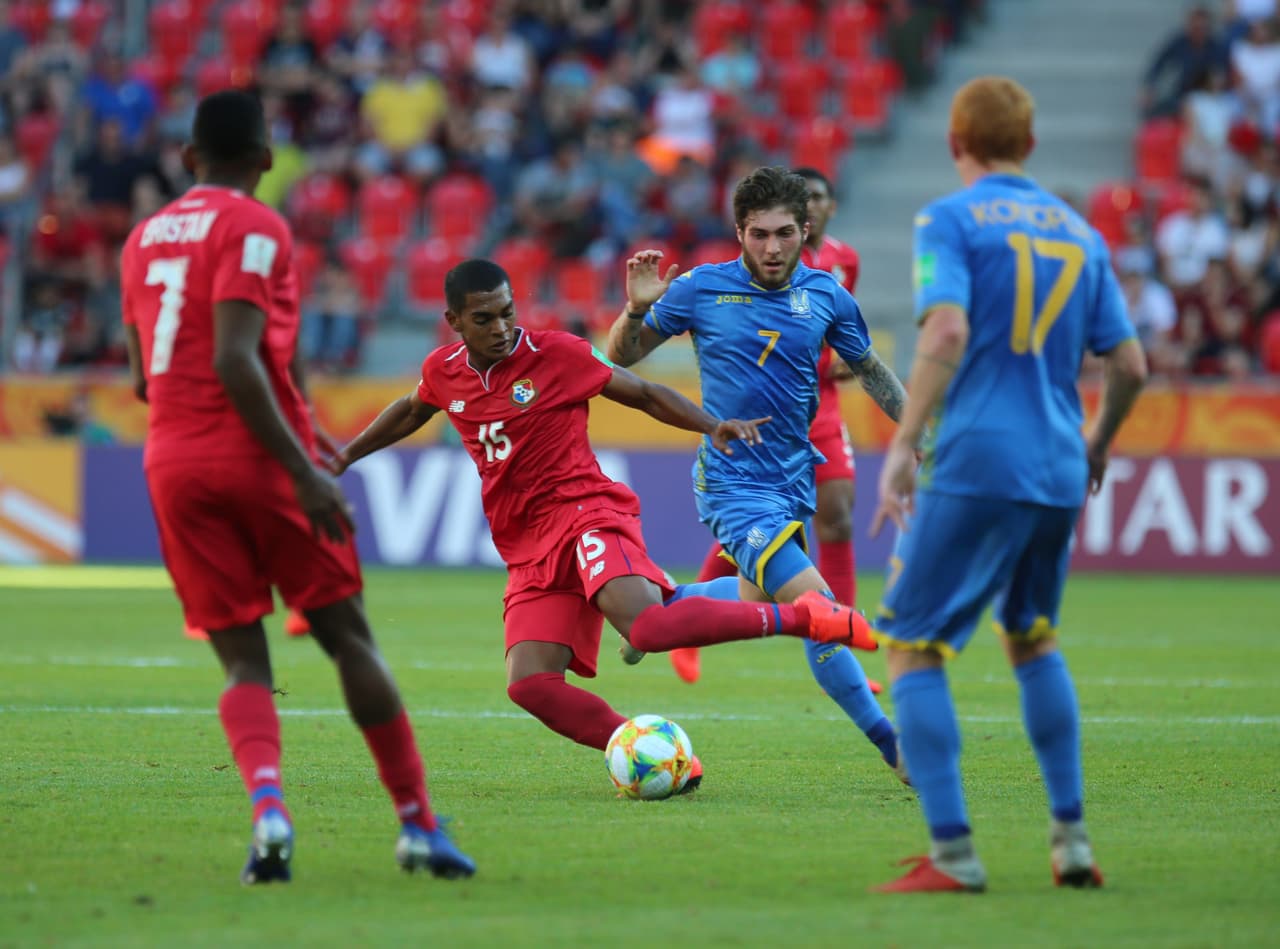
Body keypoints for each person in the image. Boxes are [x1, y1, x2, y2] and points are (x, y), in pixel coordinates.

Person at [331, 258, 869, 784]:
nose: (500, 328)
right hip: (528, 543)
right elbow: (410, 409)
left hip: (586, 512)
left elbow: (645, 393)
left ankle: (807, 617)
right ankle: (646, 748)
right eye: (483, 319)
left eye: (507, 312)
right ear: (454, 322)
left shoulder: (556, 354)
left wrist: (712, 425)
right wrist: (344, 457)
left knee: (648, 628)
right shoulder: (443, 372)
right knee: (531, 685)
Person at [119, 90, 475, 885]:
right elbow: (239, 361)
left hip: (171, 462)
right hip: (253, 458)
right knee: (347, 636)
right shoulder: (256, 226)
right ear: (269, 158)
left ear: (187, 158)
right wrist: (301, 470)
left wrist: (309, 432)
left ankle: (269, 808)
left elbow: (146, 374)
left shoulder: (143, 238)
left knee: (244, 660)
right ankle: (418, 823)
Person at [867, 76, 1147, 893]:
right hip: (1060, 461)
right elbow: (1129, 364)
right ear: (1029, 144)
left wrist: (905, 440)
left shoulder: (948, 219)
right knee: (1031, 634)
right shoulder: (1080, 233)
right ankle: (1072, 842)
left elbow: (947, 326)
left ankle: (953, 852)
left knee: (914, 644)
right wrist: (1097, 439)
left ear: (955, 143)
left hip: (982, 454)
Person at [606, 166, 911, 784]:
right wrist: (636, 311)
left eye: (784, 234)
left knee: (756, 598)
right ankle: (895, 747)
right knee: (817, 609)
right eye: (758, 235)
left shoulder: (827, 295)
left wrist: (920, 435)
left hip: (790, 483)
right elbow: (622, 355)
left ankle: (659, 613)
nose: (772, 249)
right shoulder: (699, 289)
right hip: (731, 484)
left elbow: (872, 370)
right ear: (738, 232)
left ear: (807, 230)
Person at [668, 167, 880, 692]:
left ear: (819, 217)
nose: (818, 205)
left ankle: (832, 626)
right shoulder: (735, 277)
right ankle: (833, 632)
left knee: (837, 517)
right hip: (761, 419)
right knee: (762, 540)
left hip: (819, 409)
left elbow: (853, 350)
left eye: (822, 199)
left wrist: (841, 368)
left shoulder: (841, 265)